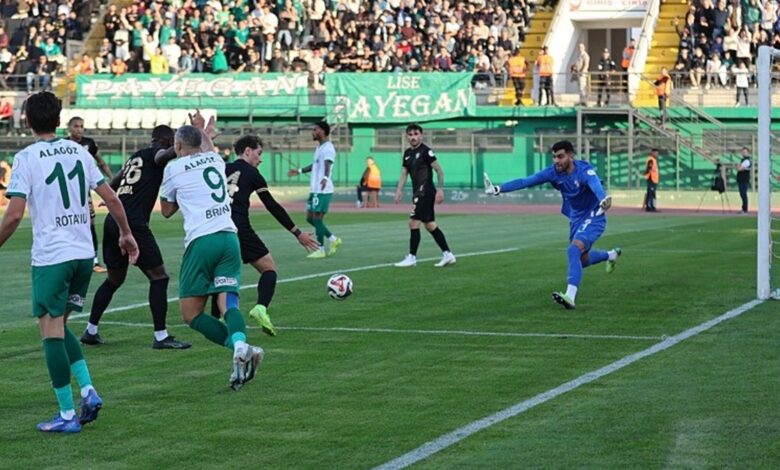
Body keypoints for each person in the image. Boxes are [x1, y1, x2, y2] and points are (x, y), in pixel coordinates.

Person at [0, 91, 139, 432]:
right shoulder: (78, 152)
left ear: (27, 120)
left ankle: (65, 415)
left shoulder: (27, 157)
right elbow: (110, 197)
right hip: (82, 254)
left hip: (53, 255)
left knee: (49, 332)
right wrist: (126, 233)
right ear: (60, 120)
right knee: (60, 327)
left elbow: (15, 215)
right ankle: (88, 391)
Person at [159, 115, 262, 391]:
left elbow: (167, 211)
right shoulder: (216, 160)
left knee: (191, 314)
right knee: (228, 303)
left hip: (201, 241)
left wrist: (181, 191)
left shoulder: (173, 168)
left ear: (177, 145)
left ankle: (237, 348)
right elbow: (205, 148)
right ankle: (241, 346)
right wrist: (203, 131)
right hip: (229, 237)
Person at [81, 125, 191, 350]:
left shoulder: (136, 156)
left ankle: (91, 331)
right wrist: (178, 146)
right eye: (172, 142)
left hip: (114, 220)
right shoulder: (156, 153)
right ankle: (161, 336)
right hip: (133, 223)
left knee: (114, 279)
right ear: (167, 141)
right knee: (159, 277)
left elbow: (116, 180)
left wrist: (109, 198)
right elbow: (162, 155)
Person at [485, 140, 620, 310]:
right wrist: (499, 189)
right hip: (576, 219)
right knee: (581, 260)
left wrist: (603, 200)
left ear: (571, 156)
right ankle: (611, 255)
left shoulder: (585, 170)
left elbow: (596, 186)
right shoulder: (553, 172)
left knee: (573, 250)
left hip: (594, 216)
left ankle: (570, 297)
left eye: (561, 156)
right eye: (554, 157)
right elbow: (526, 181)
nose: (557, 161)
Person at [215, 135, 319, 337]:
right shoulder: (253, 173)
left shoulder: (221, 169)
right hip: (239, 228)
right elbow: (272, 206)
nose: (260, 159)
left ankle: (219, 317)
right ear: (247, 151)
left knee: (223, 275)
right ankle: (260, 308)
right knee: (269, 268)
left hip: (216, 227)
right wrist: (297, 232)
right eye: (259, 153)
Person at [393, 124, 456, 268]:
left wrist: (440, 190)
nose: (413, 137)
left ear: (421, 135)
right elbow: (404, 173)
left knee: (413, 222)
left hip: (426, 191)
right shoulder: (407, 153)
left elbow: (439, 171)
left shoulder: (426, 151)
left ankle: (412, 257)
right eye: (410, 134)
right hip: (418, 191)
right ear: (407, 136)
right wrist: (399, 190)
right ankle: (448, 254)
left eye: (416, 134)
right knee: (430, 225)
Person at [287, 120, 341, 259]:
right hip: (315, 189)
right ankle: (333, 239)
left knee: (317, 219)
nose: (313, 132)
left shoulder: (328, 148)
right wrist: (299, 171)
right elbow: (315, 165)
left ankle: (321, 249)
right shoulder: (319, 147)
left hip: (323, 189)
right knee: (310, 218)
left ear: (322, 131)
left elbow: (328, 165)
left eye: (315, 129)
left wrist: (324, 178)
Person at [68, 116, 113, 273]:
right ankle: (71, 257)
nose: (79, 129)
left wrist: (113, 180)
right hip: (67, 191)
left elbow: (100, 162)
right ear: (69, 128)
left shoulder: (89, 143)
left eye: (81, 126)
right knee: (70, 223)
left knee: (90, 224)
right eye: (76, 126)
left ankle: (94, 260)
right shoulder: (64, 144)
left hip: (83, 190)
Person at [736, 146, 751, 213]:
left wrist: (739, 166)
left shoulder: (747, 161)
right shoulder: (743, 160)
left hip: (744, 180)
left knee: (743, 194)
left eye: (745, 152)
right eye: (743, 152)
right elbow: (738, 167)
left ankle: (745, 210)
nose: (743, 153)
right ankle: (743, 209)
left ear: (748, 153)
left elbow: (739, 168)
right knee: (742, 194)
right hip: (741, 180)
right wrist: (739, 166)